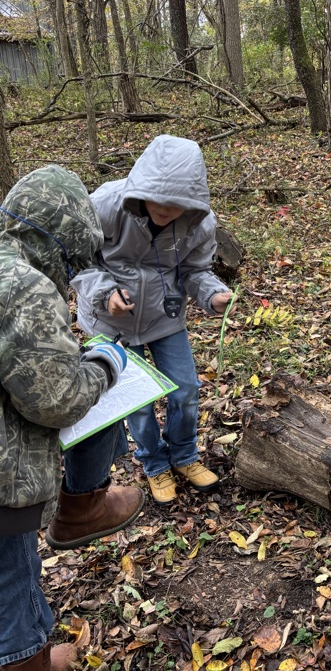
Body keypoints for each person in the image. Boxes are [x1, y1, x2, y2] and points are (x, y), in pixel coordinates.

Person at [0, 165, 141, 670]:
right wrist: (104, 364)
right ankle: (25, 659)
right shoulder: (26, 287)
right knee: (11, 581)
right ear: (59, 244)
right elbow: (56, 400)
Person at [71, 135, 235, 505]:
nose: (165, 208)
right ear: (142, 186)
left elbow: (196, 270)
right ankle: (154, 464)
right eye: (158, 197)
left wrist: (212, 293)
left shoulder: (199, 223)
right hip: (110, 325)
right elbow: (77, 260)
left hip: (165, 317)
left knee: (186, 389)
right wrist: (105, 294)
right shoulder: (105, 205)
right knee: (138, 403)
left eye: (177, 202)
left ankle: (184, 456)